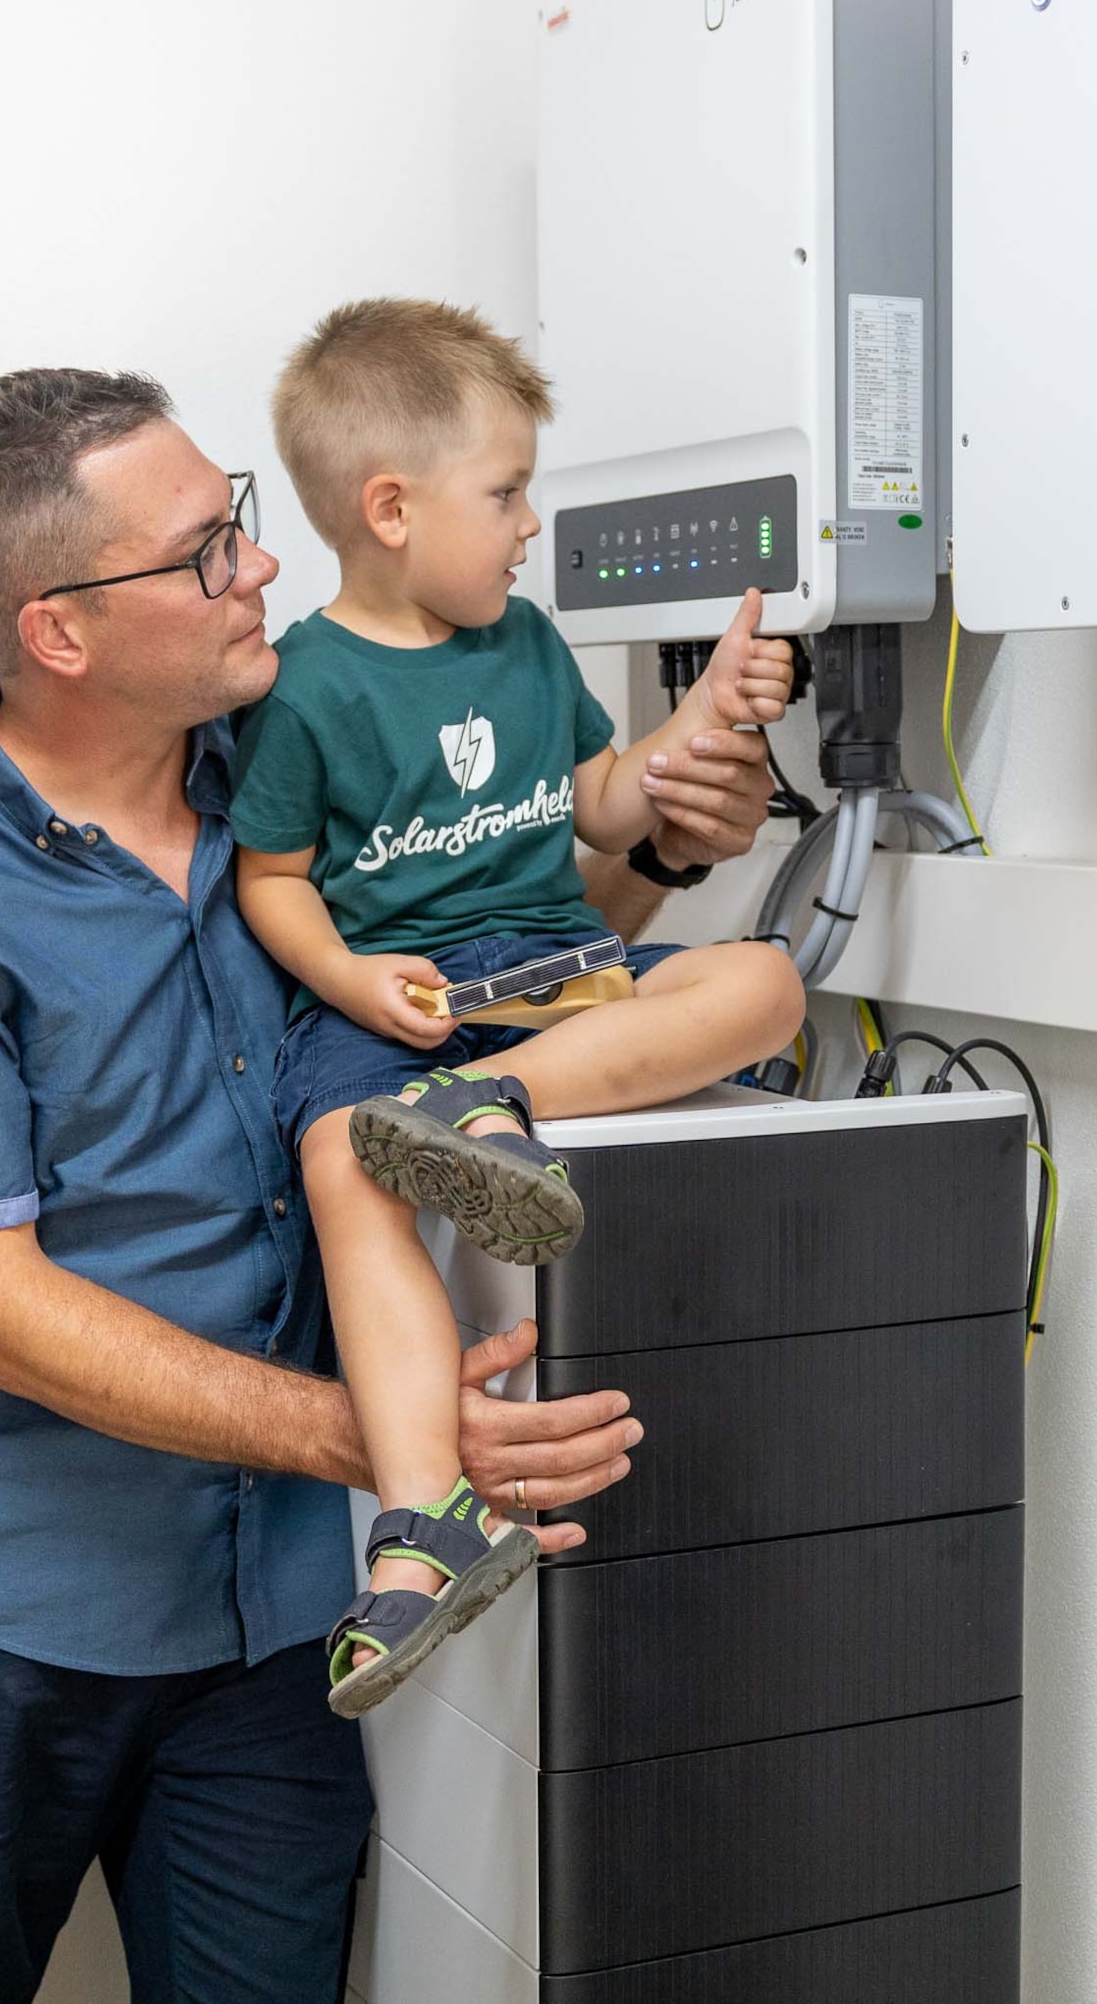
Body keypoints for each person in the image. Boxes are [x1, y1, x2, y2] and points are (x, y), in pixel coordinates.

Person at [0, 366, 775, 2004]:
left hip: (282, 1631)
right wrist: (391, 1449)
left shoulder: (293, 751)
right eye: (205, 551)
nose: (257, 566)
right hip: (12, 1632)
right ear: (58, 630)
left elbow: (499, 939)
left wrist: (664, 845)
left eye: (235, 516)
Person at [232, 299, 806, 1715]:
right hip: (403, 1009)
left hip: (560, 984)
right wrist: (350, 978)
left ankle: (489, 1113)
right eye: (505, 495)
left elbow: (605, 807)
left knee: (768, 982)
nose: (530, 524)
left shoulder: (530, 643)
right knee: (337, 1159)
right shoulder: (305, 687)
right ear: (391, 508)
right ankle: (420, 1530)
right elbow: (272, 879)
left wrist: (705, 725)